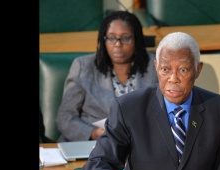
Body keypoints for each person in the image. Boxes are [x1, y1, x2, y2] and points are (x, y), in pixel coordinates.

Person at [82, 32, 220, 170]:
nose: (173, 78)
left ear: (198, 70)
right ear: (156, 67)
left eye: (183, 70)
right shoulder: (129, 108)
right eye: (165, 69)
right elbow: (97, 164)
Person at [56, 10, 158, 142]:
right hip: (93, 145)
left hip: (141, 144)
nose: (117, 44)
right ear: (103, 40)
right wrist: (94, 133)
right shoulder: (83, 66)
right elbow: (65, 117)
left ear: (137, 40)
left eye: (125, 38)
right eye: (111, 37)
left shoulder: (155, 66)